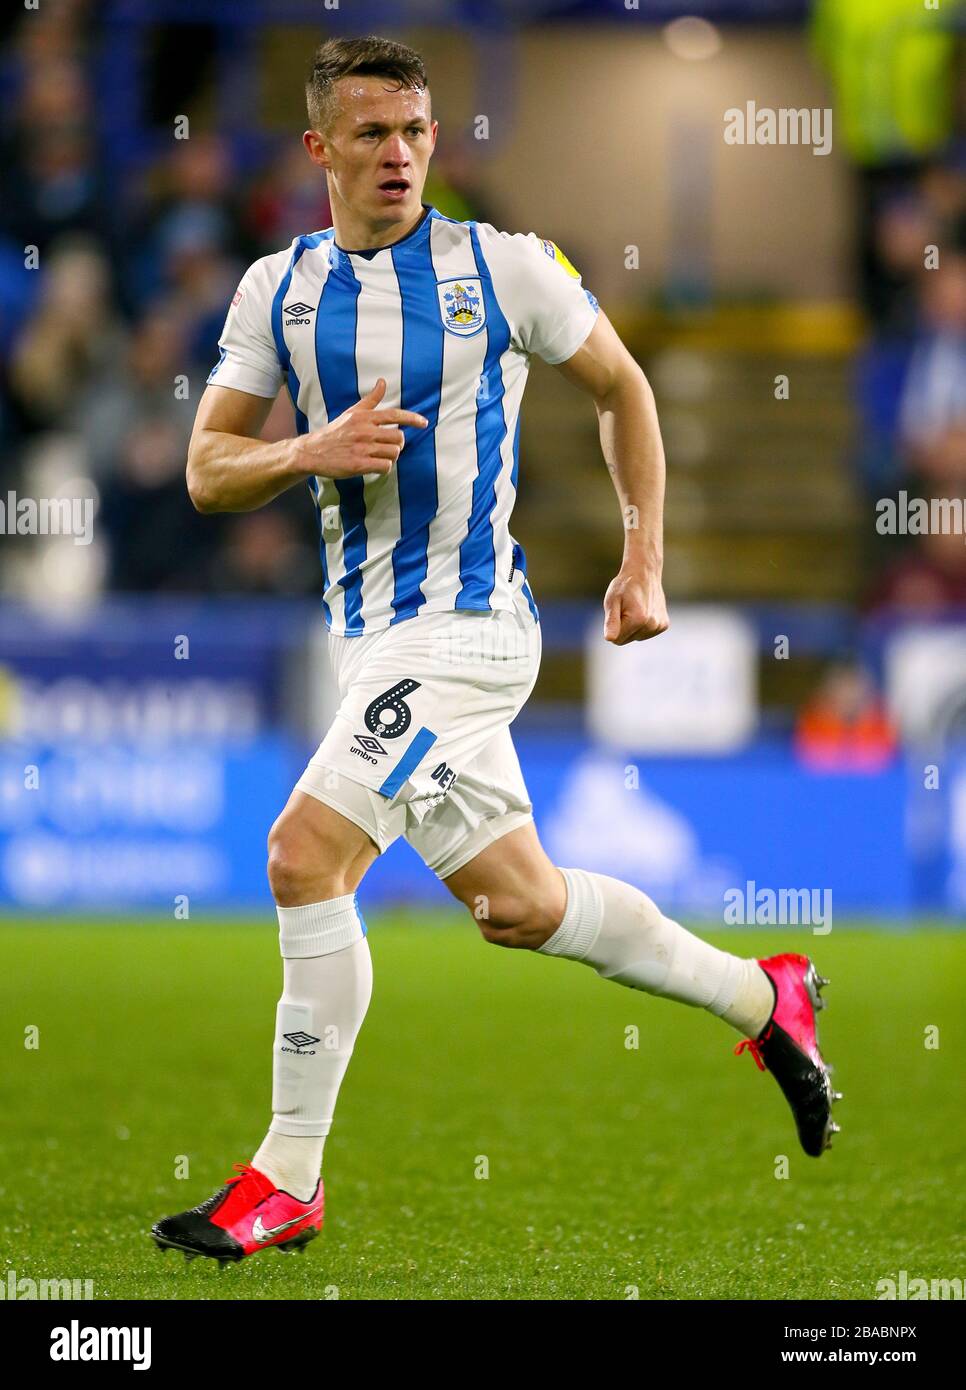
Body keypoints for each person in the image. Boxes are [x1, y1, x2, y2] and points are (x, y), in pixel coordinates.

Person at [152, 36, 840, 1266]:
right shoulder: (278, 290)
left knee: (303, 855)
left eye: (415, 131)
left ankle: (285, 1179)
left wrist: (643, 560)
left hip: (469, 630)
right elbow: (207, 468)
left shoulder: (503, 269)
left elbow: (625, 389)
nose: (401, 154)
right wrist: (303, 453)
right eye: (370, 134)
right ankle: (765, 994)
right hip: (371, 642)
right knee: (523, 908)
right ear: (319, 149)